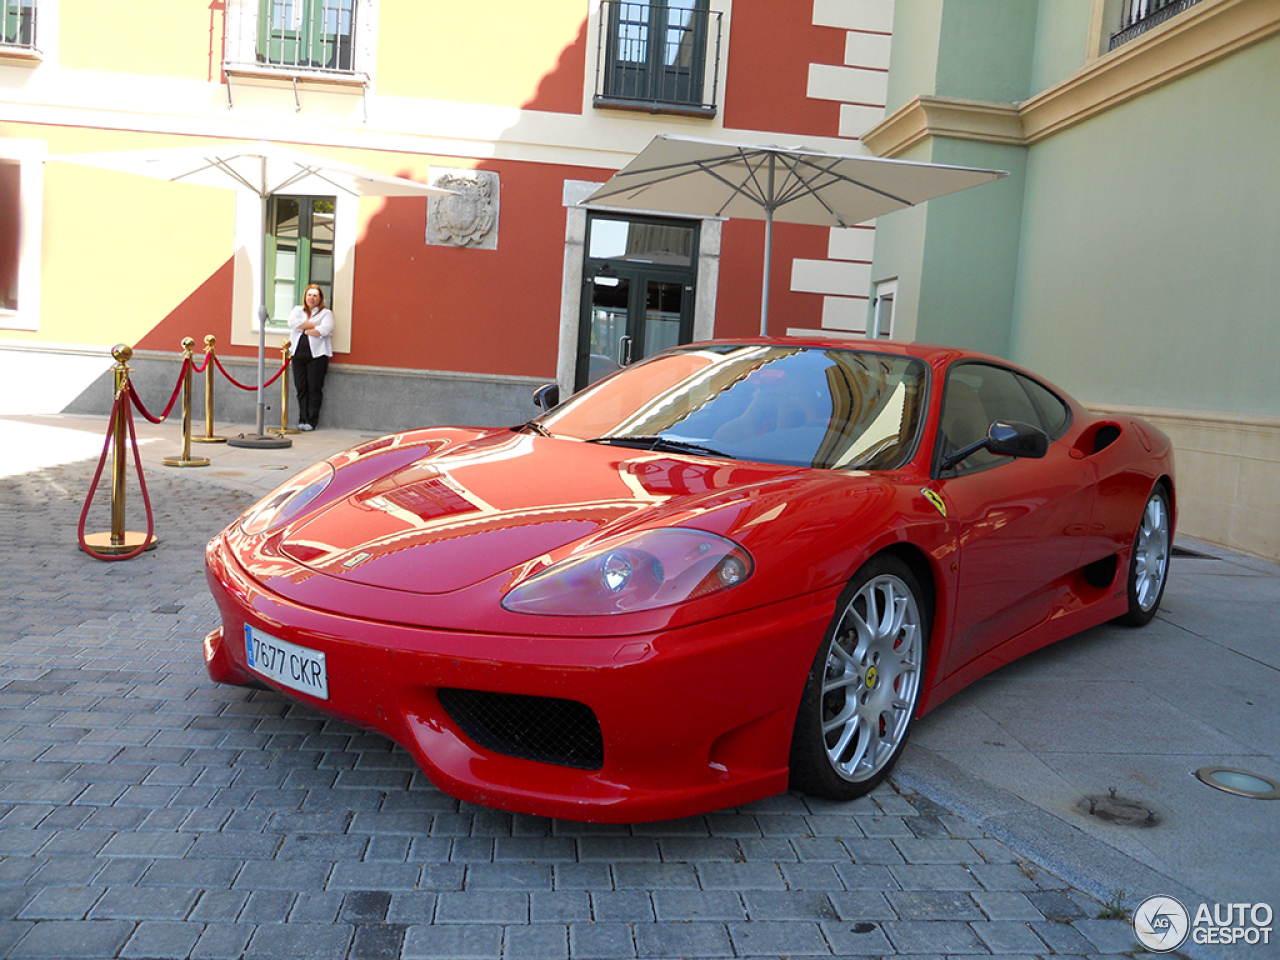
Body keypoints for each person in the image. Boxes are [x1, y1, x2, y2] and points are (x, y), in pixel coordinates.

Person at [287, 284, 335, 431]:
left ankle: (311, 420)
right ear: (305, 297)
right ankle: (302, 418)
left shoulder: (326, 313)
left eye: (315, 296)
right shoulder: (297, 310)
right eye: (309, 295)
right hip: (298, 355)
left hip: (317, 356)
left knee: (314, 388)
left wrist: (306, 330)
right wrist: (313, 325)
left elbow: (325, 329)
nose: (312, 298)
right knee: (301, 387)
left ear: (320, 298)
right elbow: (292, 323)